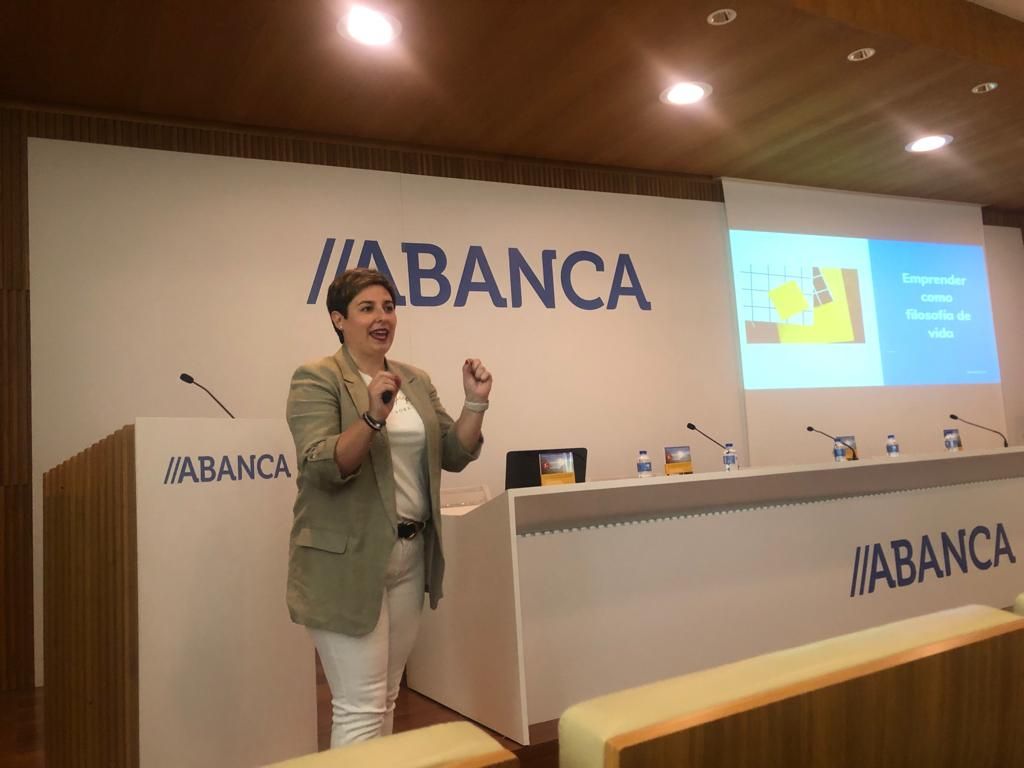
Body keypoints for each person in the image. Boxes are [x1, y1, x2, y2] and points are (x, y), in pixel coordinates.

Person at [285, 268, 491, 746]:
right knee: (360, 706)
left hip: (409, 555)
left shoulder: (414, 380)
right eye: (367, 308)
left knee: (386, 697)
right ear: (338, 319)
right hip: (345, 562)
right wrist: (373, 416)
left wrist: (475, 404)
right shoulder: (317, 377)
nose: (382, 318)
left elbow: (453, 453)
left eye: (388, 307)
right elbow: (321, 466)